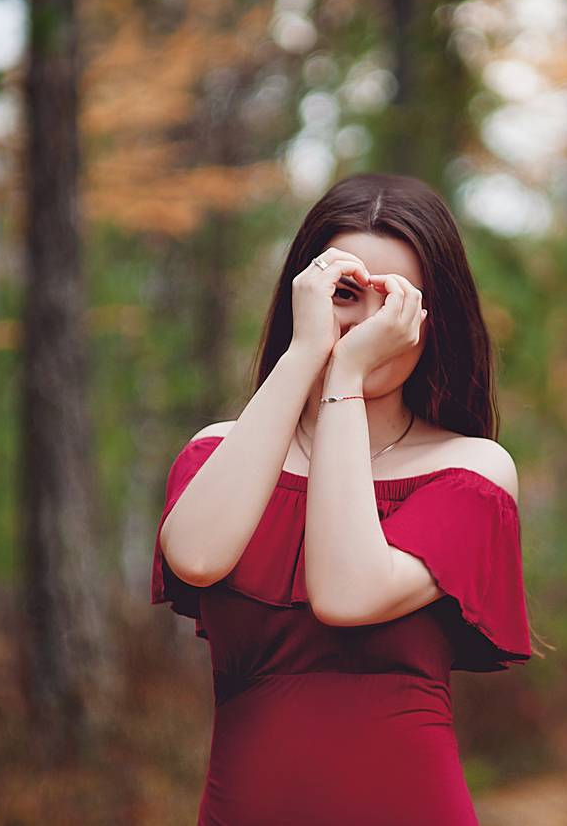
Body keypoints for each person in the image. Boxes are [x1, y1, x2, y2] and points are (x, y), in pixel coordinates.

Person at [152, 172, 532, 825]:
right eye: (345, 294)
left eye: (392, 301)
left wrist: (347, 376)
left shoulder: (470, 470)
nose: (361, 322)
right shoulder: (219, 453)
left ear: (431, 318)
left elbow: (346, 590)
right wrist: (306, 352)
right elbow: (195, 555)